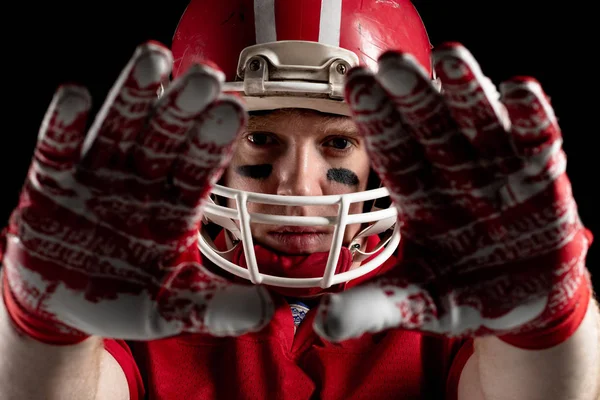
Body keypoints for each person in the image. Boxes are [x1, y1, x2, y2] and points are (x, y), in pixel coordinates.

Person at [0, 0, 598, 399]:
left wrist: (543, 326)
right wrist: (49, 329)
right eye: (259, 137)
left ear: (390, 149)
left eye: (338, 142)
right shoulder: (135, 290)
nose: (296, 185)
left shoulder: (456, 288)